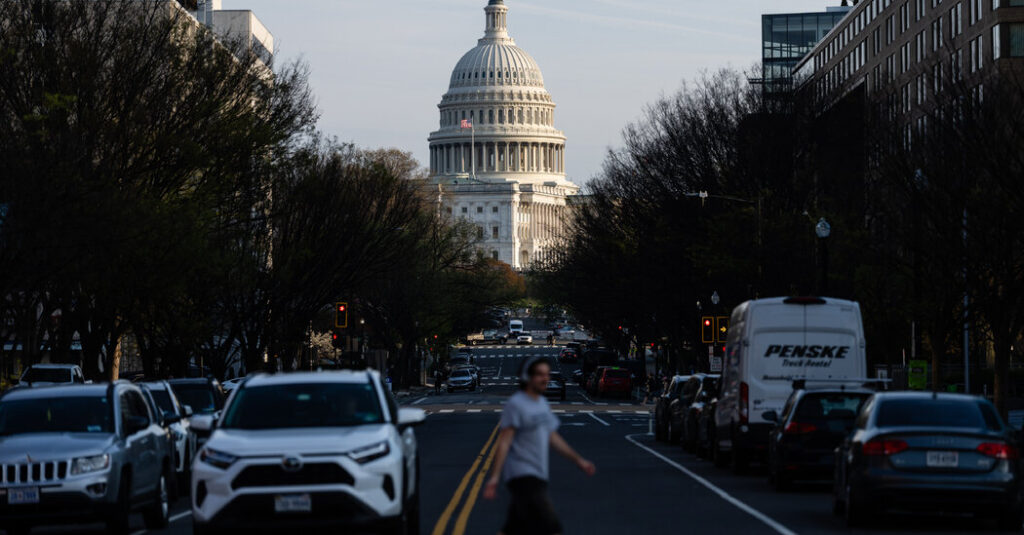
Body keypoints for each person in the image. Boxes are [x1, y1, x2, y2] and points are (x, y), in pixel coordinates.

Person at [483, 357, 596, 535]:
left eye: (547, 374)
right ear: (527, 377)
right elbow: (504, 442)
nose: (545, 379)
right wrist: (494, 477)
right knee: (552, 526)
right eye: (540, 375)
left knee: (512, 527)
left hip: (538, 473)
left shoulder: (542, 404)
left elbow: (553, 437)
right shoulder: (516, 404)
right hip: (522, 474)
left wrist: (579, 461)